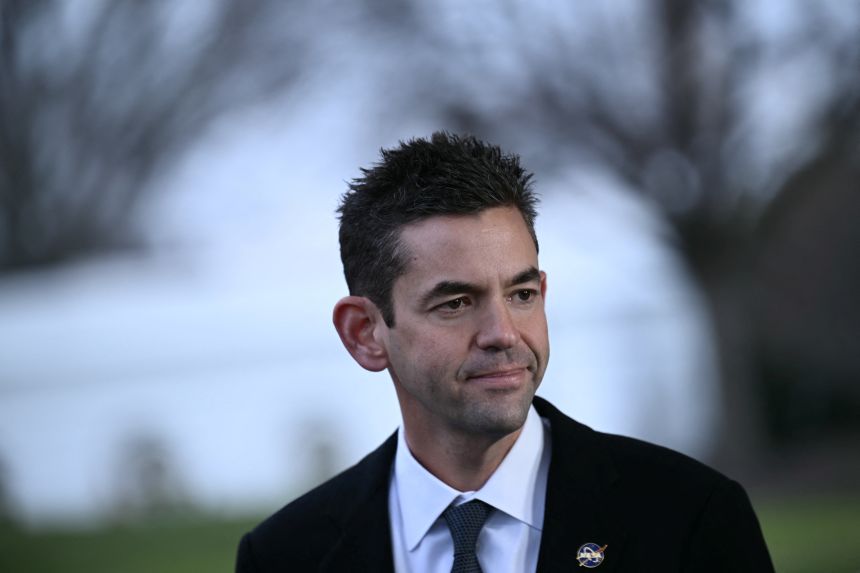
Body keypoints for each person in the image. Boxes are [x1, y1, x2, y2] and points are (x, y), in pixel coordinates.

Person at [235, 132, 774, 572]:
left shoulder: (690, 518)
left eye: (521, 295)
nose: (502, 332)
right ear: (364, 333)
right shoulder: (285, 557)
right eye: (455, 303)